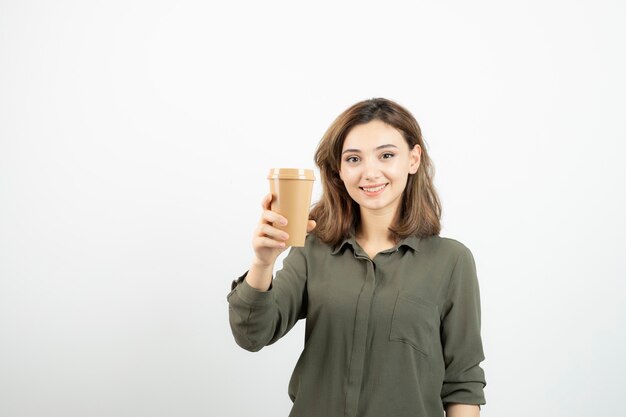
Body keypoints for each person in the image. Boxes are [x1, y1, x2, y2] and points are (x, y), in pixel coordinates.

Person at [227, 98, 487, 417]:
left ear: (413, 159)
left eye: (387, 155)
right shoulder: (313, 248)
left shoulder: (452, 261)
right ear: (339, 169)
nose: (370, 172)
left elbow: (463, 381)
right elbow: (252, 335)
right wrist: (263, 262)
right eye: (353, 159)